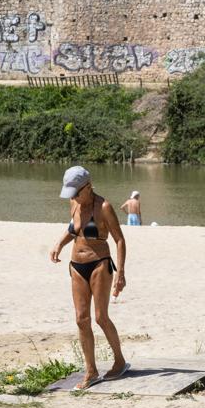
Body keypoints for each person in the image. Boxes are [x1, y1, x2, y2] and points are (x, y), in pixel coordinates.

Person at [49, 165, 129, 391]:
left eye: (77, 192)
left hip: (100, 264)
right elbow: (74, 229)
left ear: (88, 186)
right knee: (80, 319)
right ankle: (91, 371)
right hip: (76, 265)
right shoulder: (74, 203)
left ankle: (119, 361)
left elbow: (119, 240)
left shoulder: (104, 207)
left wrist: (120, 274)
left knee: (101, 317)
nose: (73, 197)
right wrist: (59, 244)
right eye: (71, 193)